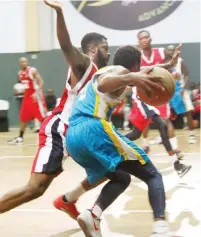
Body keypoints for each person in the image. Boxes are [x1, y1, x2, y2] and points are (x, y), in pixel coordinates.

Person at [0, 0, 109, 220]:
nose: (110, 52)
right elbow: (66, 45)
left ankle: (68, 201)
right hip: (60, 130)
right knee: (34, 188)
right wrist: (59, 13)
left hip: (76, 135)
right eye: (106, 48)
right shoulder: (85, 64)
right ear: (93, 49)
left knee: (110, 166)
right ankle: (68, 201)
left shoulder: (101, 73)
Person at [66, 46, 175, 237]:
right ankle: (161, 229)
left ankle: (93, 215)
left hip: (73, 137)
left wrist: (166, 66)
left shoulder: (104, 70)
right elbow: (105, 83)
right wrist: (131, 77)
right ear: (134, 65)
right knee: (152, 175)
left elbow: (136, 74)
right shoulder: (119, 73)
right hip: (92, 128)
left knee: (121, 178)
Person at [8, 57, 47, 144]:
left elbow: (41, 81)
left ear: (27, 62)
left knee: (42, 118)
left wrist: (36, 93)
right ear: (20, 63)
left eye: (25, 61)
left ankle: (52, 135)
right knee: (23, 117)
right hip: (27, 97)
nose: (24, 63)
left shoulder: (32, 70)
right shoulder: (19, 73)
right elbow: (23, 86)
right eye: (22, 62)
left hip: (35, 96)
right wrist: (18, 91)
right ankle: (20, 138)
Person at [166, 45, 196, 144]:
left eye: (172, 50)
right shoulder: (164, 62)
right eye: (169, 50)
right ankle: (166, 135)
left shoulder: (180, 61)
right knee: (165, 114)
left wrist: (183, 88)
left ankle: (191, 134)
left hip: (181, 90)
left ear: (175, 51)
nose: (171, 52)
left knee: (187, 112)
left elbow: (186, 75)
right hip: (169, 90)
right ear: (166, 51)